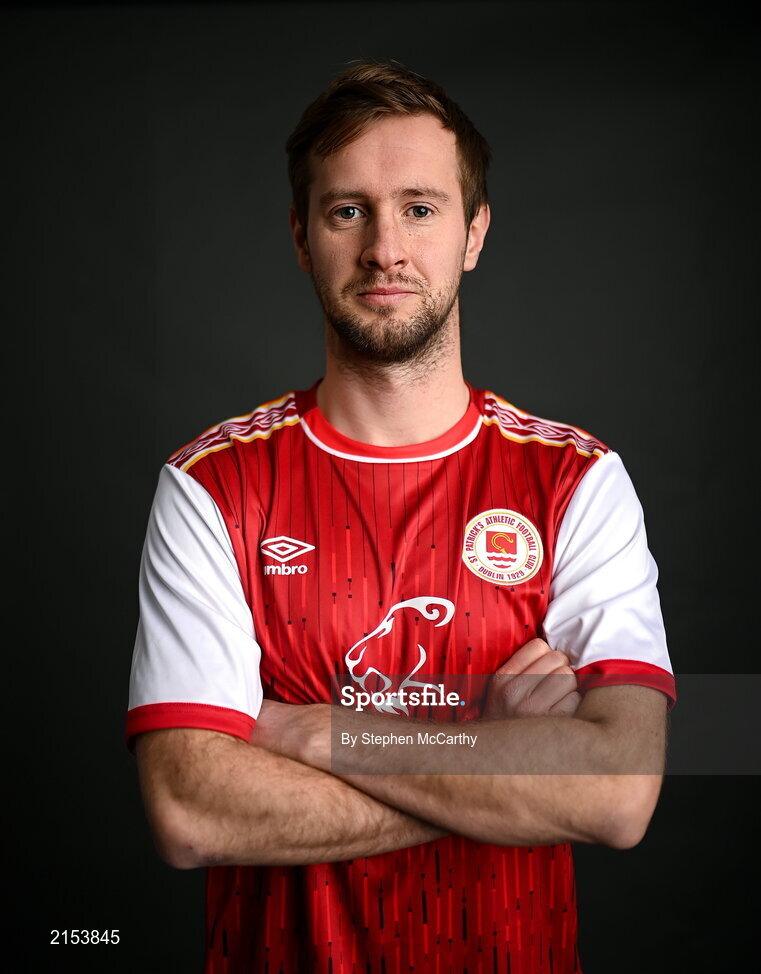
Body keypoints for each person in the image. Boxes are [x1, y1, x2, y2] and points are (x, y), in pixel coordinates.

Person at [127, 60, 675, 974]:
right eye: (348, 211)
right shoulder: (211, 486)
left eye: (420, 207)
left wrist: (316, 733)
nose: (386, 246)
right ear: (302, 239)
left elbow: (616, 792)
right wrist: (494, 754)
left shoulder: (577, 480)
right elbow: (191, 814)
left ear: (474, 233)